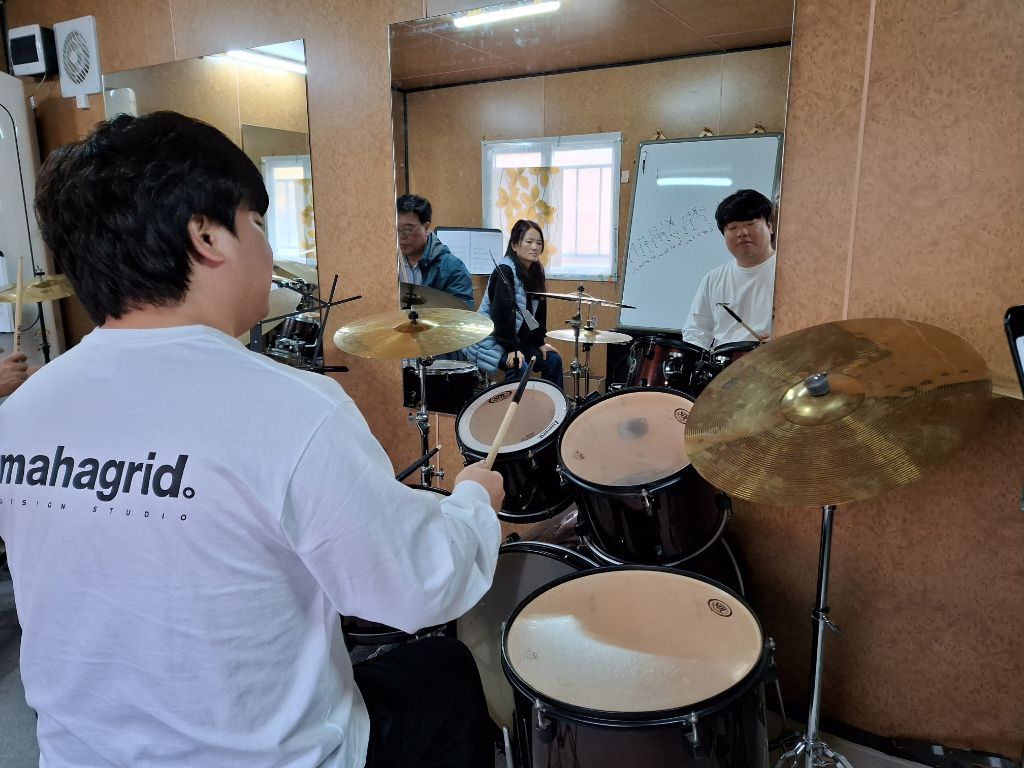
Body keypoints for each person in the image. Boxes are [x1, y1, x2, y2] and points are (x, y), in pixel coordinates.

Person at [1, 111, 505, 768]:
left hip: (78, 755)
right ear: (207, 236)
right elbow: (420, 588)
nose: (269, 249)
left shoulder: (22, 411)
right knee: (443, 667)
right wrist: (474, 500)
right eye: (258, 224)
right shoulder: (292, 410)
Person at [469, 219, 563, 388]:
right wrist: (512, 349)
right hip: (492, 338)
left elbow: (536, 316)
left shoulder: (536, 271)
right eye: (529, 242)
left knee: (553, 361)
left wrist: (540, 343)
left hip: (517, 341)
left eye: (539, 243)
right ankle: (513, 404)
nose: (535, 247)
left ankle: (552, 404)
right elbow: (501, 317)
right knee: (520, 366)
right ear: (514, 245)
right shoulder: (504, 270)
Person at [681, 188, 777, 350]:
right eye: (732, 228)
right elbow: (696, 331)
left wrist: (783, 339)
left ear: (769, 226)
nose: (742, 233)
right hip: (724, 362)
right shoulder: (713, 279)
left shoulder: (789, 272)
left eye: (750, 224)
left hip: (775, 359)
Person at [396, 194, 473, 308]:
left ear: (426, 228)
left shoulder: (453, 269)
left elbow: (461, 313)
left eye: (408, 229)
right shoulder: (390, 264)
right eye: (397, 229)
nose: (401, 236)